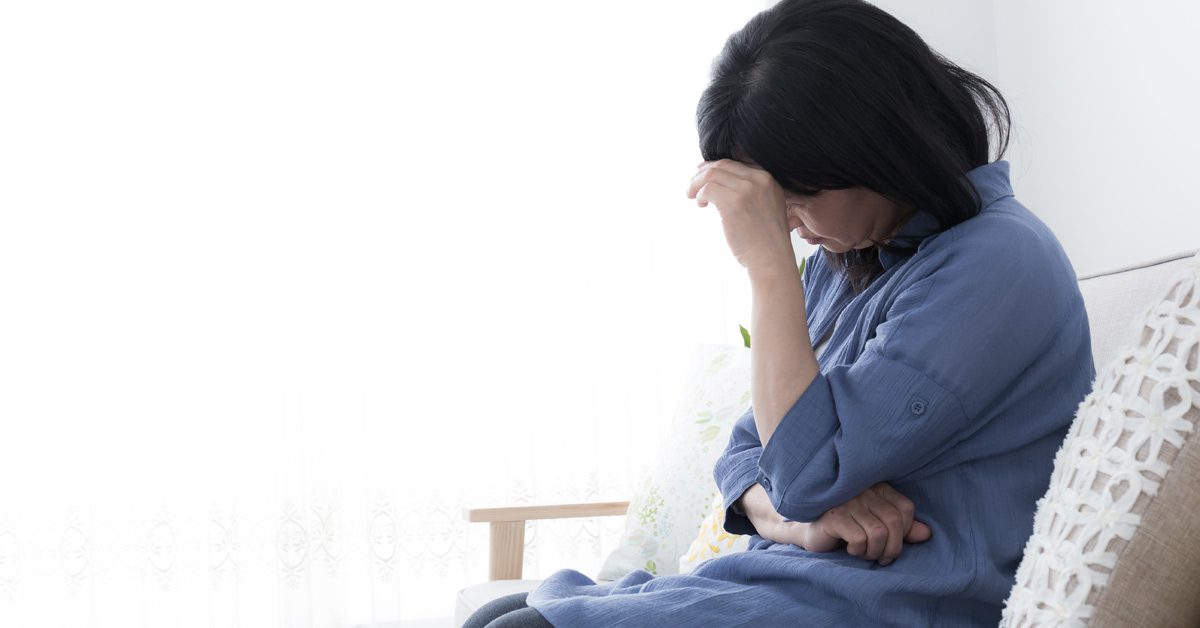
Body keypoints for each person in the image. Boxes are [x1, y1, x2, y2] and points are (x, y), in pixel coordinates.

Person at [464, 0, 1094, 625]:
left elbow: (802, 474)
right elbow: (745, 453)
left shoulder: (997, 260)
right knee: (500, 613)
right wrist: (805, 523)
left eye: (794, 196)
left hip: (895, 604)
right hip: (802, 580)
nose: (786, 224)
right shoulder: (848, 259)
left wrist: (767, 269)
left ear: (877, 150)